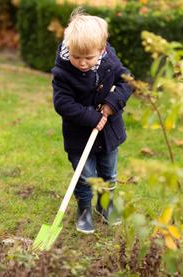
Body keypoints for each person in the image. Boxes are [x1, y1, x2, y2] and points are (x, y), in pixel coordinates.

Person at [52, 8, 134, 234]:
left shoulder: (110, 61)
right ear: (70, 49)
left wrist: (111, 103)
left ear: (102, 48)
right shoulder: (63, 73)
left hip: (108, 133)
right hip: (79, 135)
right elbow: (62, 104)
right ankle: (84, 209)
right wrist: (93, 117)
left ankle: (105, 205)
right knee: (85, 176)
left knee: (109, 173)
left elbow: (128, 82)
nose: (82, 63)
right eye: (77, 57)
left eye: (88, 58)